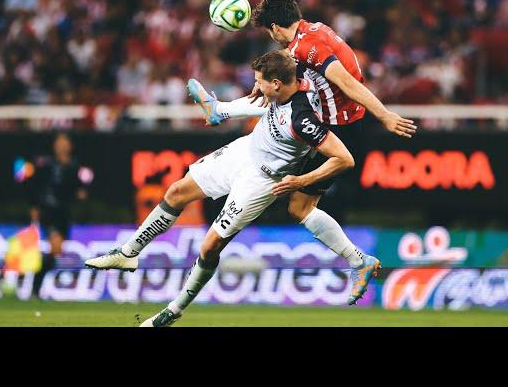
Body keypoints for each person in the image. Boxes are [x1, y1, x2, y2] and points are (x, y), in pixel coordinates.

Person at [85, 50, 380, 326]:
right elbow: (288, 63)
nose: (255, 87)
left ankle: (174, 310)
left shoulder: (302, 120)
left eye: (259, 83)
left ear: (277, 84)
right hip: (245, 151)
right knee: (176, 192)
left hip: (262, 180)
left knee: (209, 245)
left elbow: (344, 159)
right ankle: (128, 252)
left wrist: (301, 181)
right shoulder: (293, 77)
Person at [189, 0, 416, 262]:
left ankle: (358, 260)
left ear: (275, 27)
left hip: (337, 125)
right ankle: (220, 110)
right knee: (276, 96)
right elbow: (292, 56)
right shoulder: (311, 31)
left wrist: (385, 114)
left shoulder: (310, 47)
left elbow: (347, 82)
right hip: (330, 113)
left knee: (300, 207)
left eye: (269, 32)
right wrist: (265, 77)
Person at [29, 132, 88, 297]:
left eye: (65, 142)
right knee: (55, 245)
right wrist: (34, 206)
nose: (62, 145)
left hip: (63, 213)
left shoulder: (74, 165)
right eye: (60, 142)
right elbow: (36, 185)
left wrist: (80, 192)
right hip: (49, 210)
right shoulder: (47, 164)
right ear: (55, 146)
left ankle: (37, 282)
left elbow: (76, 186)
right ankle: (35, 287)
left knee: (56, 251)